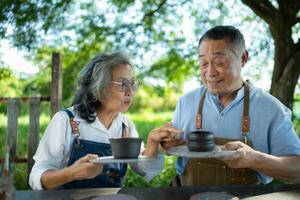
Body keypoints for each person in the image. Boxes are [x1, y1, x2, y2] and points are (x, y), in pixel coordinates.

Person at [161, 25, 300, 186]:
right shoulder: (186, 102)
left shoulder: (272, 109)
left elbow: (297, 170)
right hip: (187, 195)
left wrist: (255, 159)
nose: (210, 72)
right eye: (204, 63)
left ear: (243, 58)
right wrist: (166, 145)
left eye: (219, 62)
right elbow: (170, 147)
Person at [29, 52, 182, 190]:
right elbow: (36, 176)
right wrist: (71, 173)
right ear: (98, 88)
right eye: (122, 84)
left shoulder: (125, 126)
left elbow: (143, 169)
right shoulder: (66, 120)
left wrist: (153, 143)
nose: (130, 92)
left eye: (132, 84)